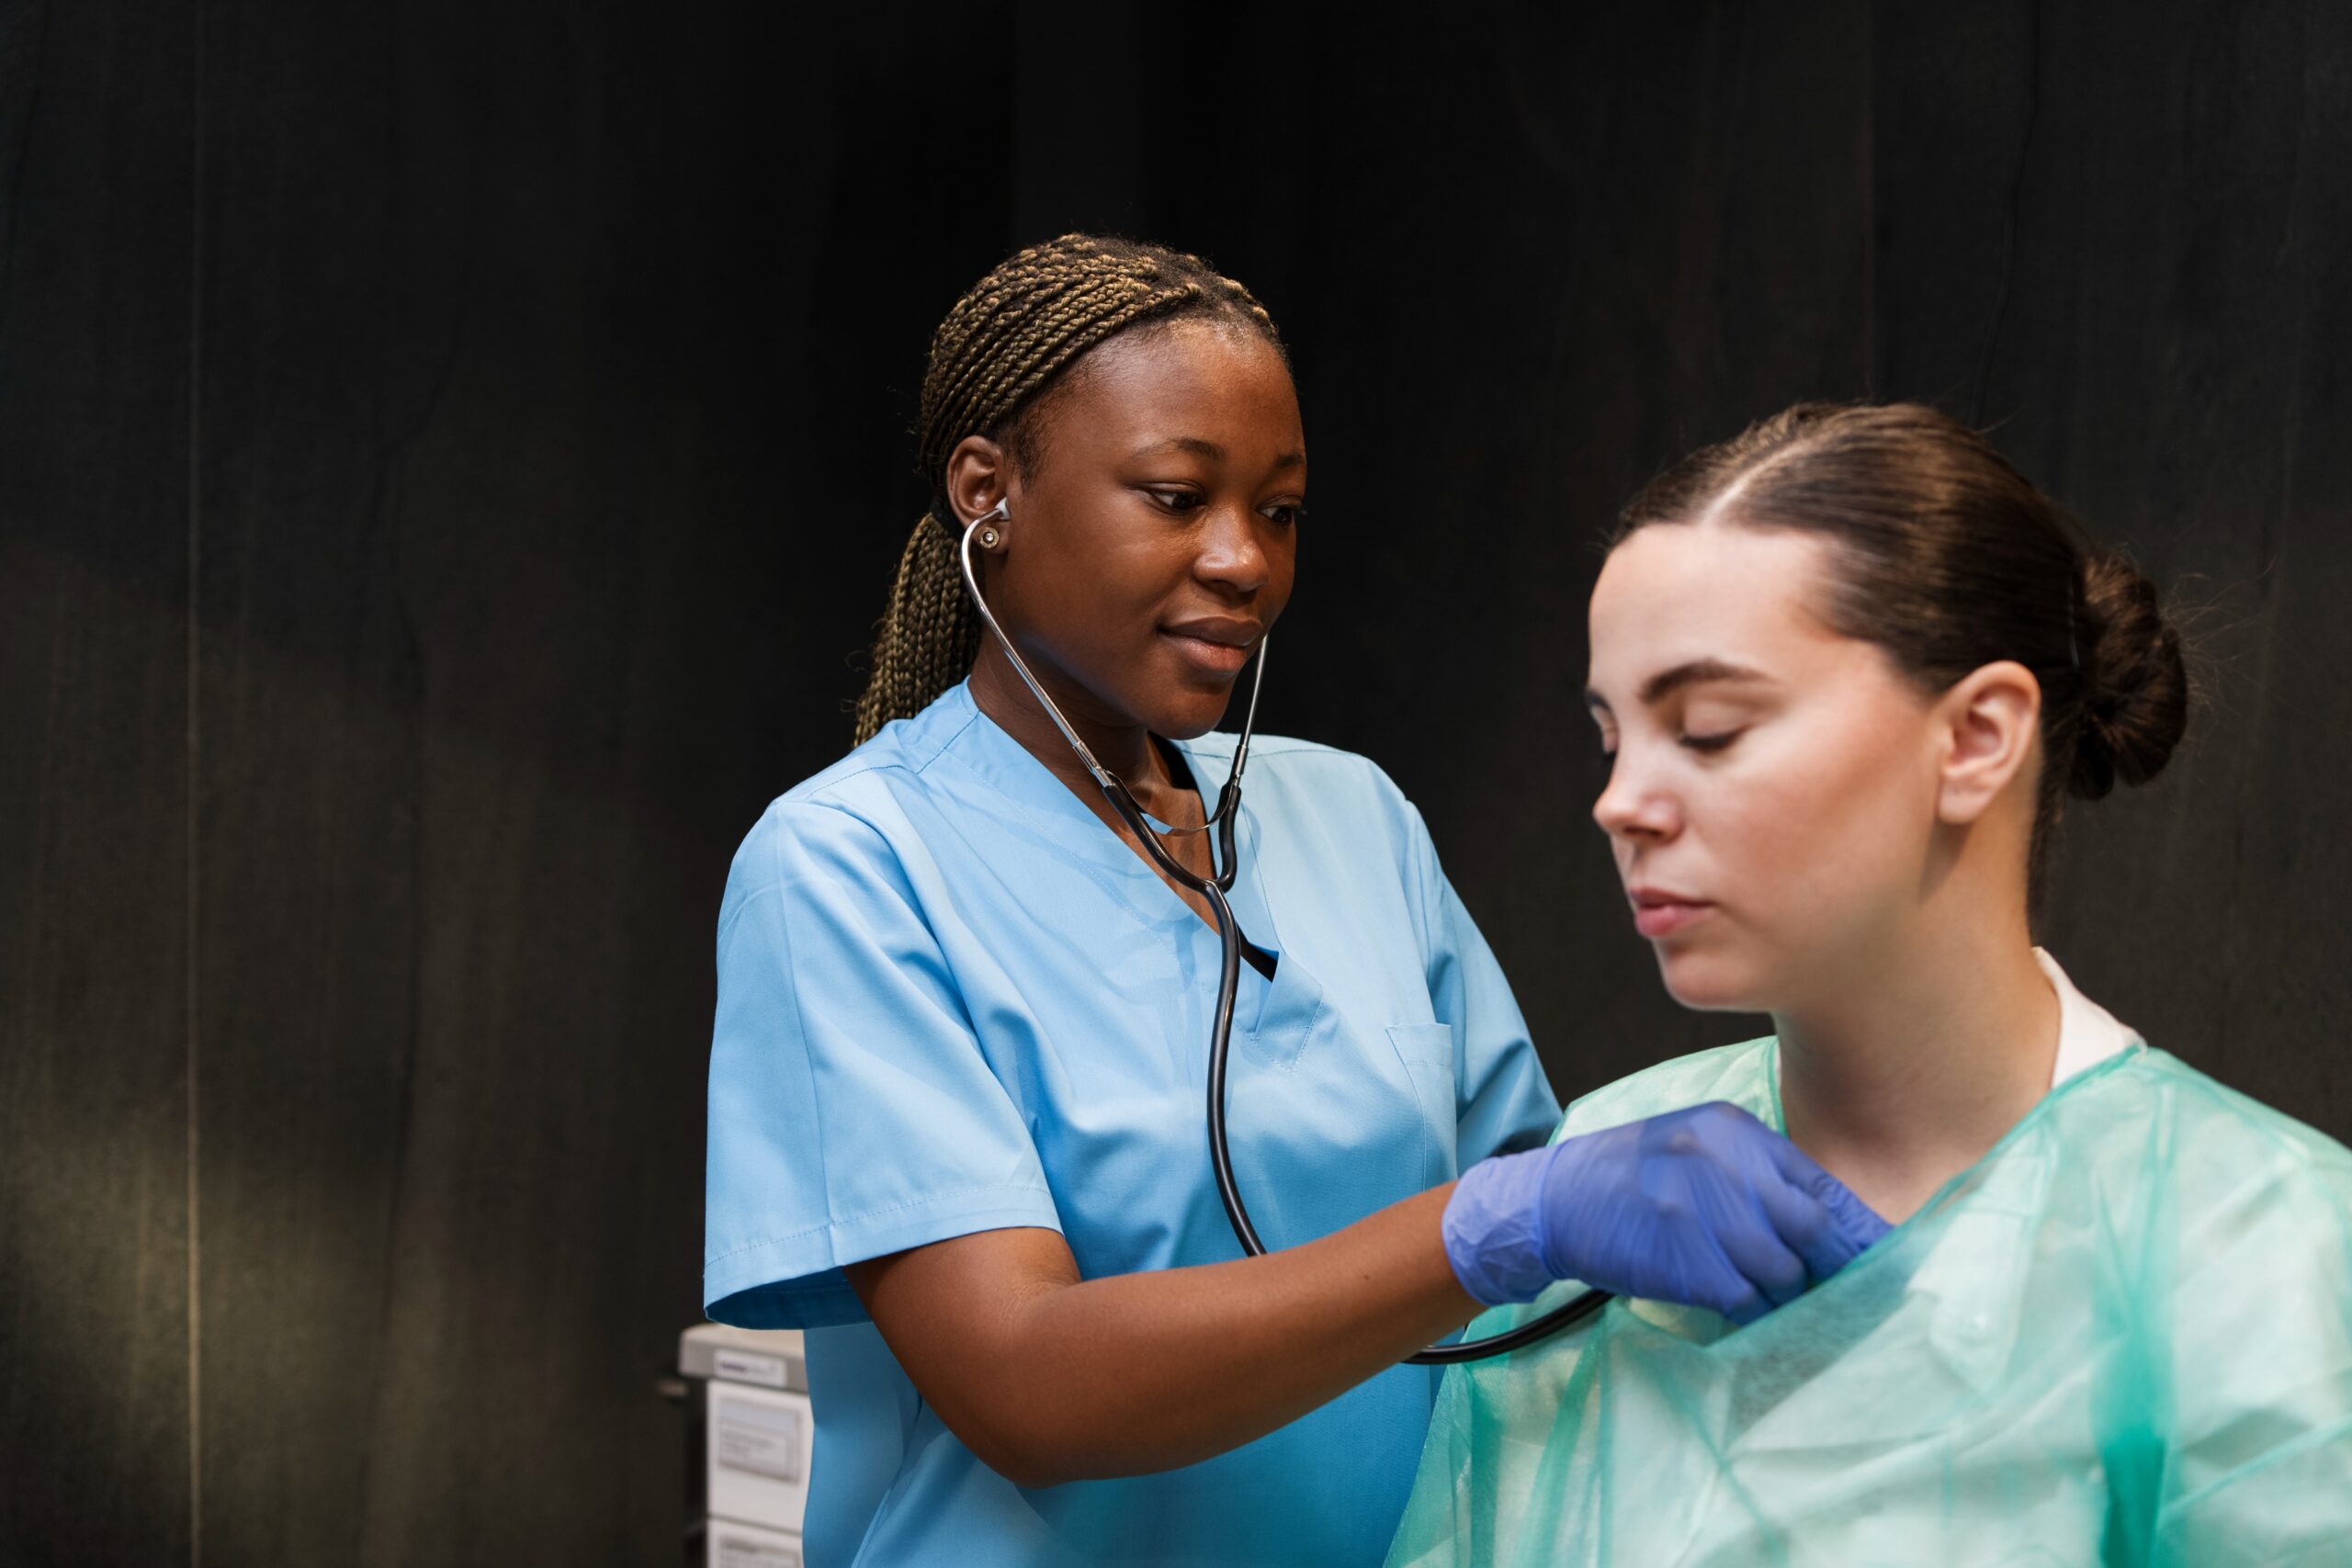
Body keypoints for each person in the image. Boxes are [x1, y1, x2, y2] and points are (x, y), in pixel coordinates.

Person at [701, 238, 1889, 1568]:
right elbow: (1022, 1384)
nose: (1244, 562)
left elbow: (1543, 1266)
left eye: (1280, 511)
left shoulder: (1354, 818)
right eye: (1174, 494)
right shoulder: (851, 863)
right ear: (990, 494)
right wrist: (1491, 1224)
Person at [1385, 401, 2352, 1567]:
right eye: (1611, 737)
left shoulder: (2260, 1245)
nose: (1620, 802)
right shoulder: (1607, 1174)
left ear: (1978, 738)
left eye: (1706, 729)